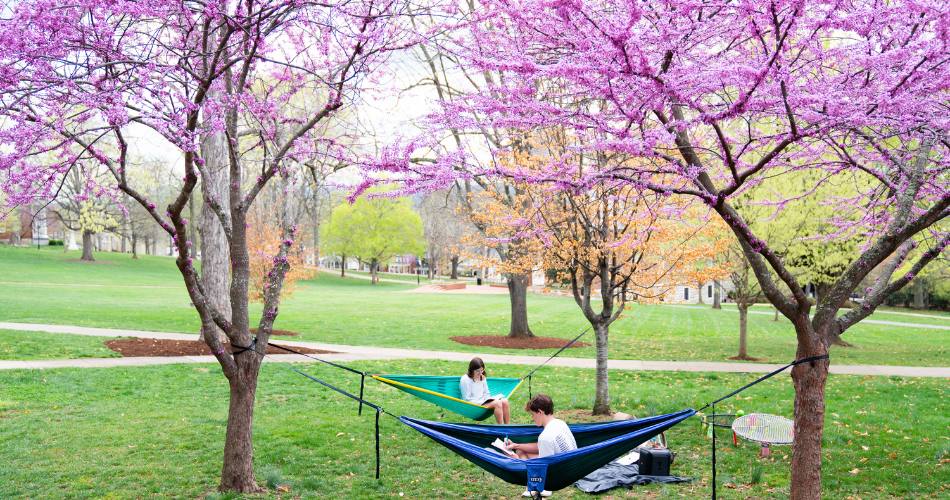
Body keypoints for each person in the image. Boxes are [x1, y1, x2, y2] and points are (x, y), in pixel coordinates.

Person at [460, 357, 510, 424]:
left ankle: (508, 426)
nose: (480, 373)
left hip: (483, 402)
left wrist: (488, 399)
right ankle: (501, 428)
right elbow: (467, 400)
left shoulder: (482, 377)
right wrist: (481, 402)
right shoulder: (465, 379)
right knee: (498, 403)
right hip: (473, 406)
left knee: (505, 401)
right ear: (472, 370)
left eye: (482, 370)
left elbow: (486, 394)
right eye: (477, 371)